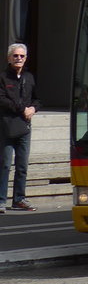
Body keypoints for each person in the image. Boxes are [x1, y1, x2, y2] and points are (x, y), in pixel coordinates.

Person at [0, 43, 40, 212]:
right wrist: (21, 108)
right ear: (9, 58)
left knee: (22, 165)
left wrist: (33, 108)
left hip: (24, 127)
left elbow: (37, 99)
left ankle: (19, 199)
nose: (19, 59)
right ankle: (1, 200)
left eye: (22, 56)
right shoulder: (3, 77)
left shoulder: (29, 77)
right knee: (5, 164)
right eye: (15, 56)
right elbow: (1, 99)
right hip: (6, 127)